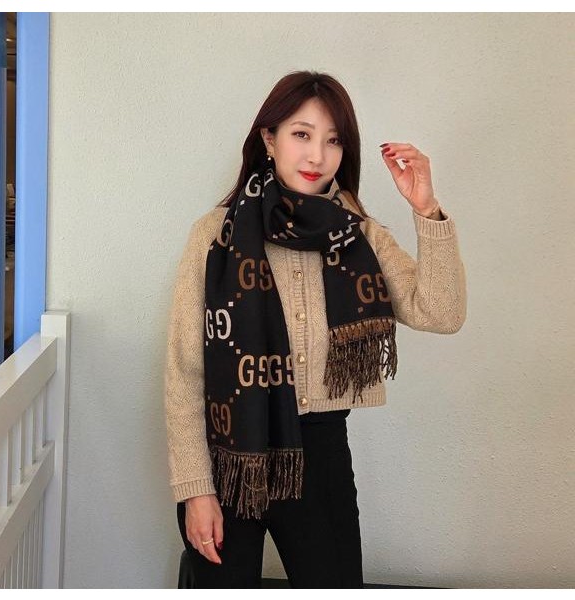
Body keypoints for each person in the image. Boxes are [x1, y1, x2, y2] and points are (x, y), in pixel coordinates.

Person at [163, 70, 467, 589]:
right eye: (301, 134)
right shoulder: (215, 236)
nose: (317, 156)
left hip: (320, 453)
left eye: (333, 141)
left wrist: (427, 209)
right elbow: (185, 371)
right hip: (229, 455)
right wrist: (195, 489)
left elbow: (441, 313)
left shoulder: (359, 234)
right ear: (269, 139)